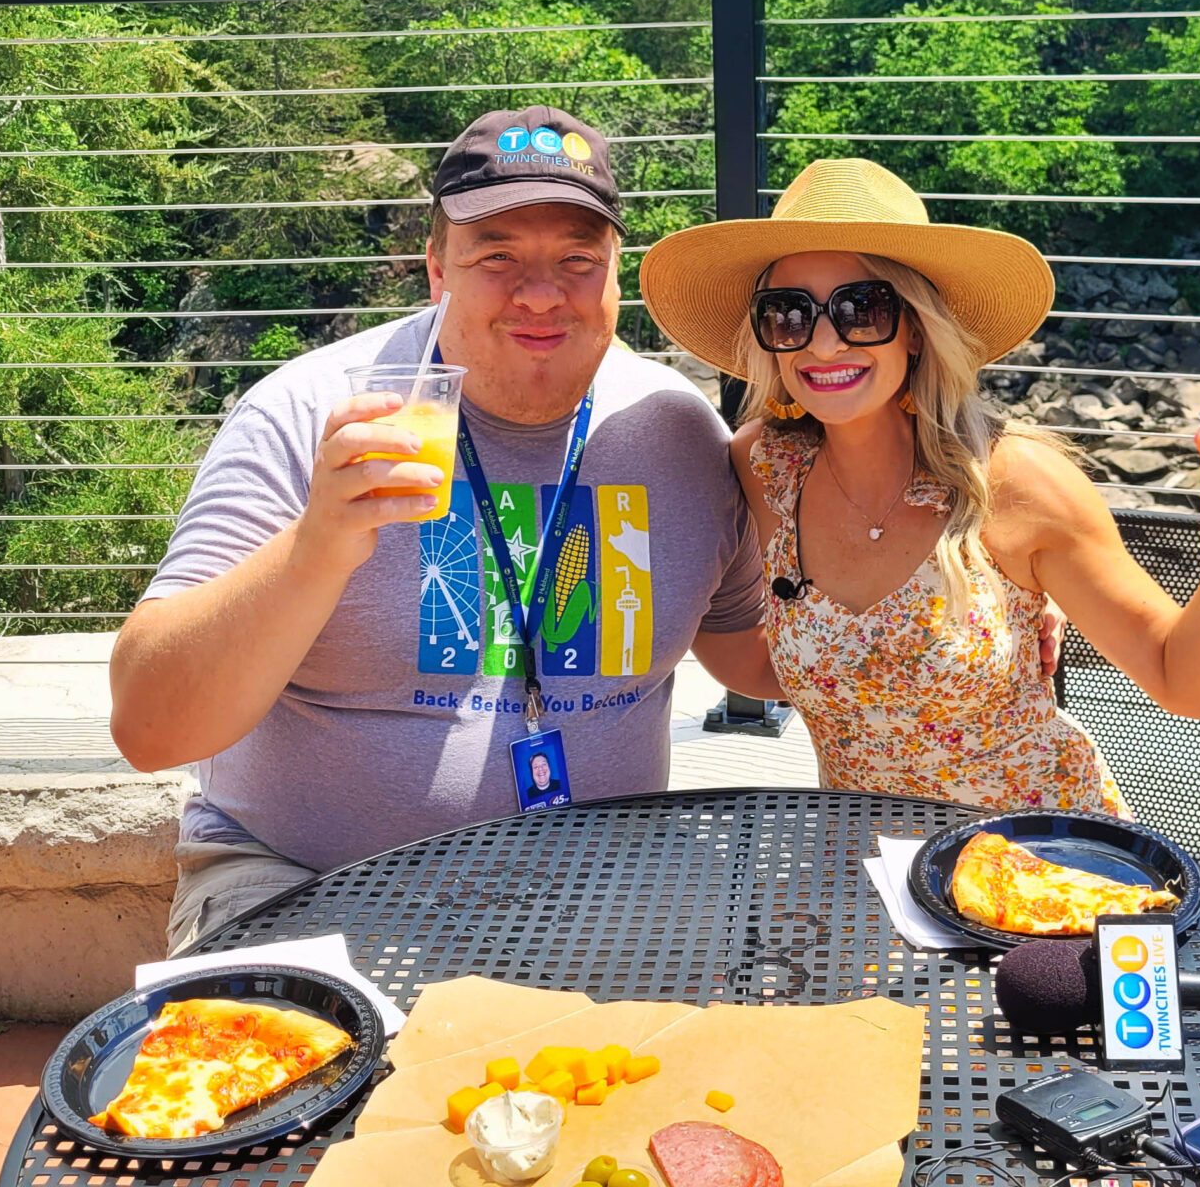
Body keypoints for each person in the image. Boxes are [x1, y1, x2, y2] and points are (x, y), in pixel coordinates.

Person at [110, 106, 780, 950]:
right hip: (304, 878)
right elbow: (150, 727)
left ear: (618, 275)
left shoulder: (677, 431)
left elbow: (750, 652)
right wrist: (314, 550)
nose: (541, 293)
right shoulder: (312, 413)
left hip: (601, 880)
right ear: (436, 269)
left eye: (578, 260)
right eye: (497, 257)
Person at [639, 158, 1200, 815]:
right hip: (866, 875)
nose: (825, 345)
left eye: (863, 308)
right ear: (768, 339)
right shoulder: (767, 470)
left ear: (914, 328)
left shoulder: (1014, 481)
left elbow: (1186, 684)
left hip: (1040, 864)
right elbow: (769, 668)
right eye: (790, 314)